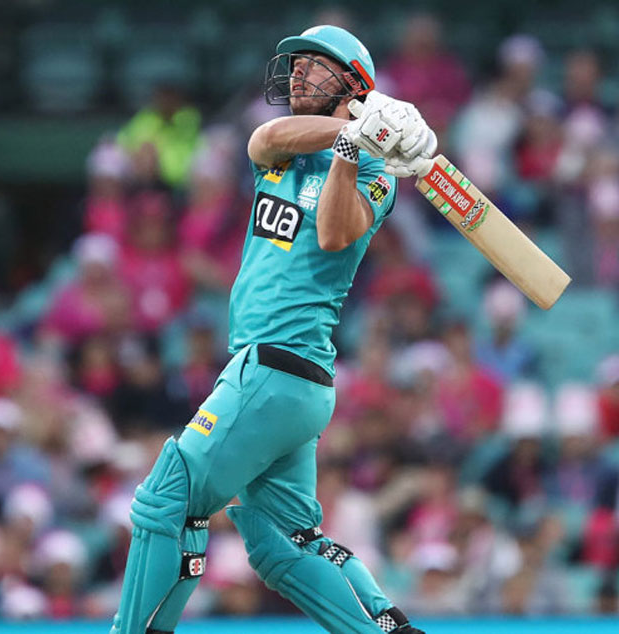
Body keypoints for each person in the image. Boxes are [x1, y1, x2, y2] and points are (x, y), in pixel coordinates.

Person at [109, 25, 436, 634]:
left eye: (314, 64)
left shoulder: (376, 171)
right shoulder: (284, 147)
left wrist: (353, 148)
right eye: (296, 64)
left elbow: (335, 234)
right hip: (281, 377)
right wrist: (352, 128)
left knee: (168, 499)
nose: (297, 74)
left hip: (279, 365)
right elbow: (263, 138)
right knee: (283, 542)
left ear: (354, 84)